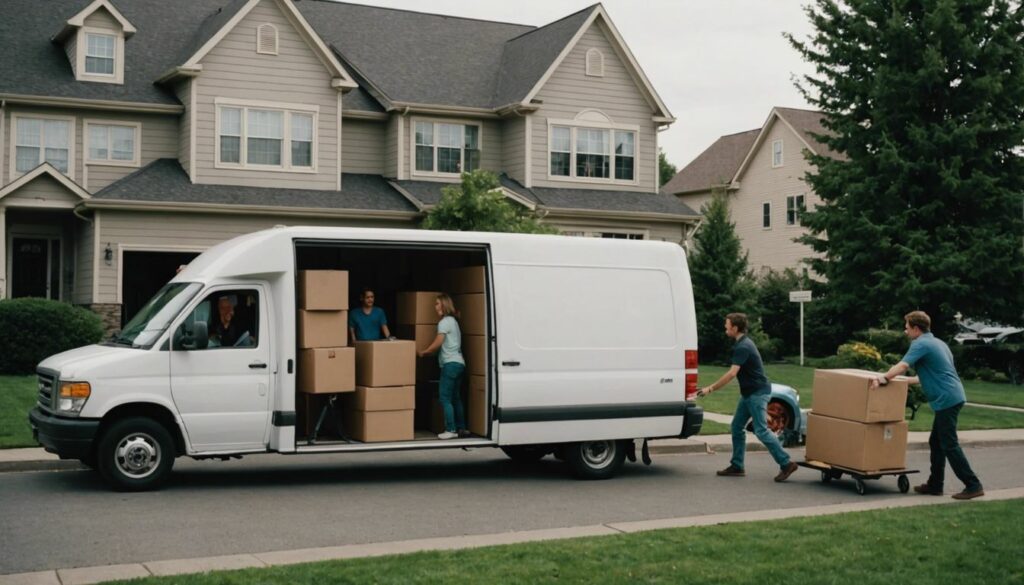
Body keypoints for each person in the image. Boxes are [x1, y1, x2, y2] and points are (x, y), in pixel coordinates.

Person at [870, 311, 984, 500]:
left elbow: (903, 365)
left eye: (907, 327)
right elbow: (927, 376)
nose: (905, 331)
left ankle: (973, 485)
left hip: (947, 399)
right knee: (936, 442)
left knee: (949, 444)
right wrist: (901, 382)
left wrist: (884, 378)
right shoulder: (938, 343)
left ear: (916, 328)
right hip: (952, 396)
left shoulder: (920, 343)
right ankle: (935, 485)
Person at [698, 312, 799, 482]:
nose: (725, 328)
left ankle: (786, 463)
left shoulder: (743, 347)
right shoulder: (743, 344)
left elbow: (732, 374)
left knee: (761, 430)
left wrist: (710, 388)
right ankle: (737, 466)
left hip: (757, 393)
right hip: (749, 394)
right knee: (737, 426)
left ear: (735, 328)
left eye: (727, 325)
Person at [417, 293, 466, 440]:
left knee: (445, 398)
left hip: (450, 364)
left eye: (437, 303)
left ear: (444, 305)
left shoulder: (444, 322)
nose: (435, 306)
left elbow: (438, 342)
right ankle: (461, 428)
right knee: (455, 398)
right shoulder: (454, 321)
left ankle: (450, 430)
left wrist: (424, 352)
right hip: (459, 363)